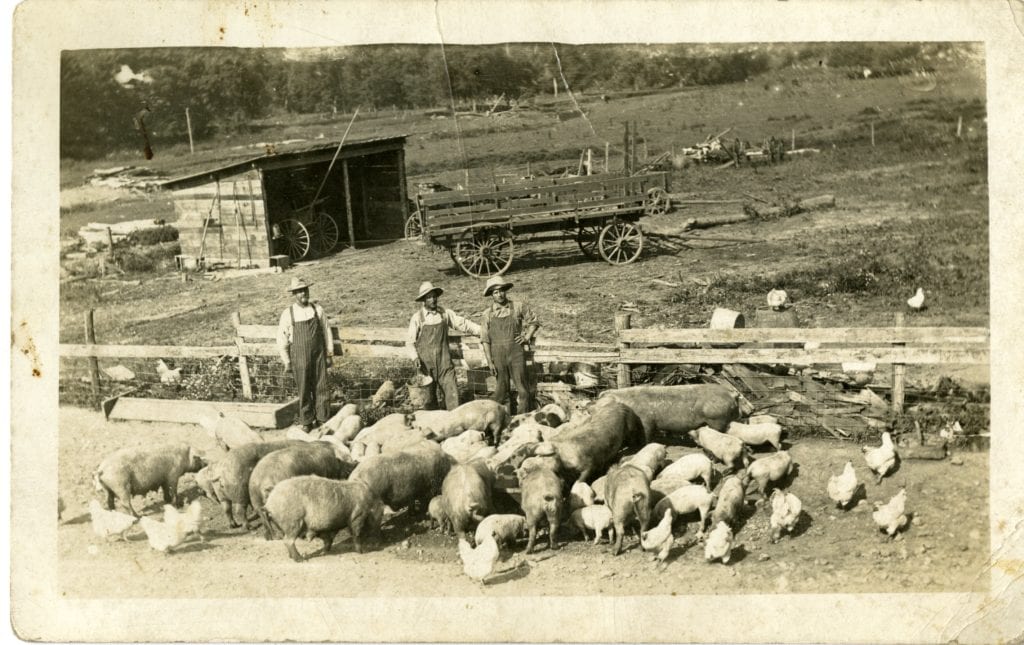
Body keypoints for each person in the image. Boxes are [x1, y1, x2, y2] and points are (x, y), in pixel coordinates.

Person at [405, 281, 481, 411]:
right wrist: (415, 358)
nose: (433, 299)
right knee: (428, 402)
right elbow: (409, 342)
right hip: (426, 367)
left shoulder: (445, 314)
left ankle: (455, 426)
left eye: (434, 296)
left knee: (453, 397)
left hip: (445, 364)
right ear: (423, 300)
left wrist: (482, 331)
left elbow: (463, 324)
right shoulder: (417, 318)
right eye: (429, 297)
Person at [277, 277, 333, 432]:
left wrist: (329, 352)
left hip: (318, 354)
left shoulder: (317, 309)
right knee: (303, 387)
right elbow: (281, 339)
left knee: (321, 385)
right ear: (294, 294)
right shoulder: (288, 314)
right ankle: (307, 420)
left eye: (305, 290)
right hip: (299, 356)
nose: (303, 293)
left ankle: (322, 418)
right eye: (300, 291)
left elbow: (327, 331)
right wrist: (286, 360)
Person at [480, 275, 540, 415]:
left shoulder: (518, 307)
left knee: (523, 390)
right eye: (495, 292)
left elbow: (533, 322)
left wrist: (526, 336)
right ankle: (500, 420)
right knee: (501, 392)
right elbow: (485, 340)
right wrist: (490, 361)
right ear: (491, 295)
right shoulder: (487, 314)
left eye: (501, 290)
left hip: (516, 354)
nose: (499, 294)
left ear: (505, 291)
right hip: (498, 357)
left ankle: (522, 420)